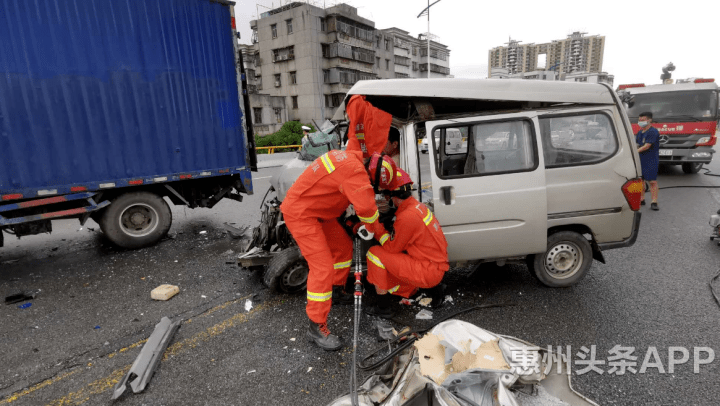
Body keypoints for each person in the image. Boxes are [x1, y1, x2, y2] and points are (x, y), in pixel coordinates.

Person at [281, 150, 389, 351]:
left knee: (342, 247)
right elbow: (366, 210)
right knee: (322, 269)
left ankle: (336, 290)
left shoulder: (349, 157)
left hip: (317, 211)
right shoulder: (356, 172)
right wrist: (376, 230)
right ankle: (316, 327)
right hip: (302, 215)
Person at [362, 154, 450, 318]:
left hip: (427, 271)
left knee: (374, 254)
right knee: (390, 262)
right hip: (433, 266)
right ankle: (421, 289)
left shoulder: (407, 218)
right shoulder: (417, 207)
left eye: (386, 196)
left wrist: (377, 226)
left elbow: (392, 248)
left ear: (392, 197)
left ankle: (383, 308)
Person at [636, 112, 660, 210]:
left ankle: (654, 202)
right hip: (640, 159)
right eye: (640, 120)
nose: (641, 122)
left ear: (649, 120)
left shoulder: (653, 131)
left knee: (652, 181)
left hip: (651, 159)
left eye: (643, 120)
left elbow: (647, 146)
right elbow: (638, 144)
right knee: (641, 180)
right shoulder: (640, 132)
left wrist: (635, 151)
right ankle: (642, 199)